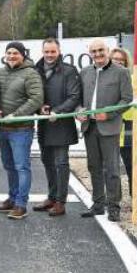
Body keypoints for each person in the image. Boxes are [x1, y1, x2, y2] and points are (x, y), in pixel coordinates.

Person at [77, 38, 133, 222]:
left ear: (107, 50)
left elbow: (126, 100)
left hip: (109, 128)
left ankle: (114, 206)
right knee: (94, 167)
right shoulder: (84, 72)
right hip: (89, 127)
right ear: (89, 54)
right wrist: (79, 112)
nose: (98, 54)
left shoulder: (121, 72)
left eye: (101, 50)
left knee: (112, 169)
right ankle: (98, 204)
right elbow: (78, 100)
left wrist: (108, 114)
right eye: (94, 51)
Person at [0, 41, 43, 220]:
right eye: (9, 53)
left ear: (23, 55)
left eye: (15, 53)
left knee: (21, 167)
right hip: (3, 128)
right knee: (9, 166)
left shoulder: (31, 73)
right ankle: (12, 199)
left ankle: (21, 204)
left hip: (21, 129)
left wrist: (17, 115)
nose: (11, 56)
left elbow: (36, 99)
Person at [33, 38, 81, 217]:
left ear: (59, 51)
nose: (50, 55)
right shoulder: (35, 70)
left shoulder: (69, 71)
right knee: (47, 162)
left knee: (61, 163)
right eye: (46, 52)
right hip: (44, 124)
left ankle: (61, 202)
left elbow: (74, 96)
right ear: (42, 51)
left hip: (61, 124)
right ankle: (52, 197)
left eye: (53, 52)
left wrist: (57, 111)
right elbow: (33, 94)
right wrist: (40, 107)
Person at [110, 47, 137, 210]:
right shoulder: (105, 78)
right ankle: (114, 199)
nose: (117, 62)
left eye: (121, 60)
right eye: (114, 59)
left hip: (128, 126)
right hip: (110, 125)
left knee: (132, 164)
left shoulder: (133, 79)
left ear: (126, 63)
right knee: (111, 166)